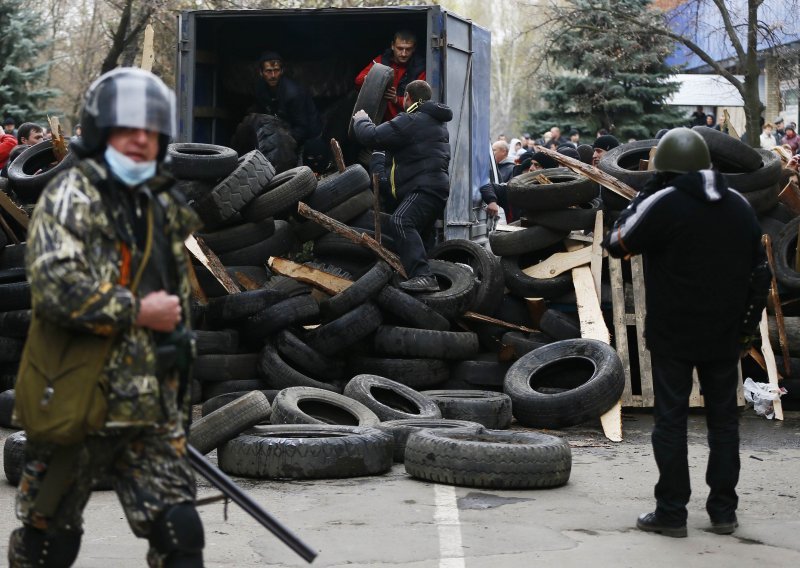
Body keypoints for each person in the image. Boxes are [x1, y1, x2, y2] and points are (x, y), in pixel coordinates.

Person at [8, 68, 205, 567]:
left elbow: (177, 312)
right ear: (100, 133)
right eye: (126, 128)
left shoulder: (161, 205)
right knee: (48, 541)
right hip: (78, 398)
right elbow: (54, 287)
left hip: (148, 405)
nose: (141, 139)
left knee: (180, 535)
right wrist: (137, 310)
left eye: (151, 129)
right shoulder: (70, 198)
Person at [603, 128, 770, 539]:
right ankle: (723, 512)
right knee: (724, 423)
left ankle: (672, 512)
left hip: (673, 333)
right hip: (724, 334)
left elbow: (616, 242)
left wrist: (645, 194)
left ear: (665, 169)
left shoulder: (664, 202)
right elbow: (759, 272)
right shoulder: (739, 204)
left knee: (672, 421)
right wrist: (745, 329)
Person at [352, 79, 451, 293]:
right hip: (435, 188)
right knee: (421, 237)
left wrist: (361, 120)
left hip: (425, 188)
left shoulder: (412, 120)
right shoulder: (435, 121)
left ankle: (424, 276)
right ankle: (433, 288)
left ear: (407, 97)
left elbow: (371, 136)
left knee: (400, 221)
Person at [355, 30, 426, 122]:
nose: (404, 54)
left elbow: (420, 103)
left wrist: (396, 99)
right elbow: (358, 81)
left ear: (414, 48)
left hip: (406, 123)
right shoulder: (382, 60)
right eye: (400, 48)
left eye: (408, 49)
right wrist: (375, 82)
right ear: (392, 46)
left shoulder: (420, 69)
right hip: (378, 121)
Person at [253, 51, 322, 146]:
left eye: (276, 70)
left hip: (308, 134)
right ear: (261, 72)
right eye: (268, 71)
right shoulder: (260, 88)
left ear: (281, 71)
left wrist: (279, 143)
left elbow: (302, 128)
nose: (273, 75)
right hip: (283, 128)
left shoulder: (293, 93)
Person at [480, 140, 517, 220]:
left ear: (503, 151)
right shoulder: (492, 166)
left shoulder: (512, 169)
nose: (492, 153)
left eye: (494, 150)